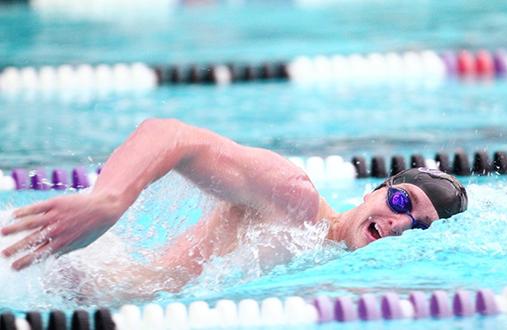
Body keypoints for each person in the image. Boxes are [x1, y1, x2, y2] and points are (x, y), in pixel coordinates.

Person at [1, 118, 467, 292]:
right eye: (402, 200)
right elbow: (171, 135)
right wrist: (110, 199)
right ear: (376, 189)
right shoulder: (294, 200)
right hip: (59, 268)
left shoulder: (338, 267)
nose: (400, 223)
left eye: (418, 225)